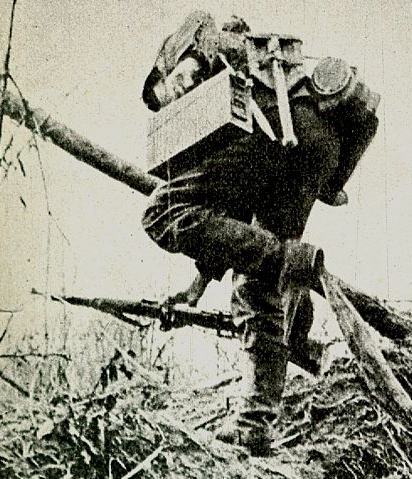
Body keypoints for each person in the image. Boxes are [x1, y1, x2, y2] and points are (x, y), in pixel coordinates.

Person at [140, 11, 378, 455]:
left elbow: (202, 28)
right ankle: (258, 418)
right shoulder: (253, 77)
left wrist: (186, 68)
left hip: (269, 131)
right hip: (315, 144)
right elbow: (226, 220)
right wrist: (197, 285)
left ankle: (289, 263)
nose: (171, 99)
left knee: (162, 211)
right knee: (260, 275)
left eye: (165, 92)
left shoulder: (189, 56)